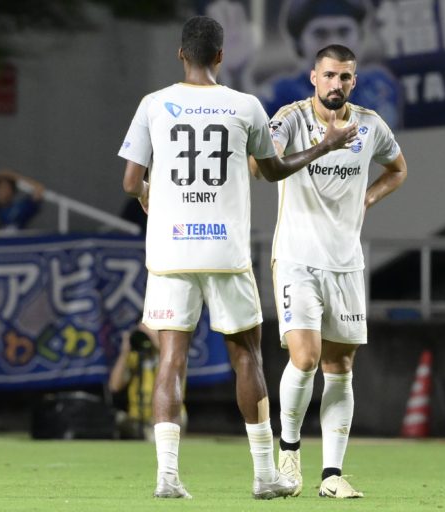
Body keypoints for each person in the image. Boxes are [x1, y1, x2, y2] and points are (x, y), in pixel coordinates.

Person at [118, 16, 359, 499]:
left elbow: (129, 182)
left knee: (171, 358)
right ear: (221, 56)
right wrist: (325, 145)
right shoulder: (244, 105)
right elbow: (272, 170)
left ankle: (167, 476)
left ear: (181, 54)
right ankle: (265, 474)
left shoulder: (153, 104)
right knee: (246, 356)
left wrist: (148, 194)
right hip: (225, 250)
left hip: (171, 249)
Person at [258, 44, 407, 498]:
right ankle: (288, 455)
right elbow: (263, 167)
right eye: (328, 75)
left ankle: (331, 476)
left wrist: (368, 198)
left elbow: (398, 169)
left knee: (340, 367)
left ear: (353, 81)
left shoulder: (370, 125)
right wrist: (323, 146)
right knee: (304, 358)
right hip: (297, 258)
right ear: (313, 77)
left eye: (344, 77)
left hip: (345, 264)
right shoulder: (290, 119)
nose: (336, 84)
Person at [263, 0, 401, 128]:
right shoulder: (279, 97)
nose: (333, 43)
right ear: (299, 43)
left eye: (344, 32)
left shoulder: (380, 87)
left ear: (360, 36)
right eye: (320, 34)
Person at [108, 324, 186, 440]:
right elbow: (114, 386)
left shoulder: (172, 356)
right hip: (137, 418)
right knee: (116, 419)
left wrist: (154, 338)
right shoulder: (135, 356)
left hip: (169, 416)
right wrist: (125, 352)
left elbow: (174, 362)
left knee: (159, 434)